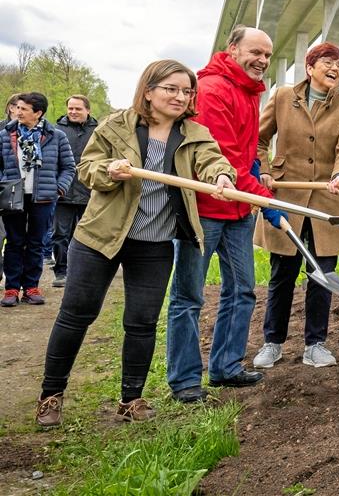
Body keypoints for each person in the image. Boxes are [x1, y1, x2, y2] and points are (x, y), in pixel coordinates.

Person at [34, 60, 236, 427]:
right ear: (149, 91)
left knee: (142, 322)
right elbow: (87, 168)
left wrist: (221, 176)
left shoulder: (194, 132)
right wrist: (109, 171)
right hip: (101, 237)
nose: (180, 96)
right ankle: (51, 395)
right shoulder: (118, 124)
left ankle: (131, 399)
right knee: (77, 314)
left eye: (187, 91)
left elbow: (212, 160)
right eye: (171, 89)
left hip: (154, 243)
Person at [166, 26, 282, 404]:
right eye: (255, 52)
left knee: (242, 289)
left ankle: (226, 367)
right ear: (232, 49)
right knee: (189, 296)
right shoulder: (213, 88)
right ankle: (184, 380)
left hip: (237, 209)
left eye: (267, 55)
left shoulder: (248, 92)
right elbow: (224, 157)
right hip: (204, 210)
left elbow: (246, 151)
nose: (262, 61)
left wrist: (258, 168)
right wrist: (266, 198)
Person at [252, 43, 339, 370]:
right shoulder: (284, 97)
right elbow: (257, 141)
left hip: (329, 197)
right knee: (282, 273)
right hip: (287, 195)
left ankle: (315, 344)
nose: (335, 69)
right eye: (328, 63)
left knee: (323, 273)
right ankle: (272, 342)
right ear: (310, 67)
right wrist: (266, 171)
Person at [1, 92, 76, 307]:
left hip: (43, 198)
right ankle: (12, 288)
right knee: (14, 243)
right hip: (12, 198)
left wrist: (58, 188)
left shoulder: (56, 136)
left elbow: (69, 167)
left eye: (24, 109)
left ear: (38, 113)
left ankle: (31, 287)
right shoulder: (6, 135)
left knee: (35, 243)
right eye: (17, 108)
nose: (18, 112)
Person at [48, 95, 99, 288]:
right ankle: (61, 271)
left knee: (89, 235)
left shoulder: (98, 131)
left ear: (88, 110)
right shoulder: (56, 130)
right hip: (63, 193)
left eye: (78, 109)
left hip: (91, 193)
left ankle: (85, 273)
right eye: (70, 108)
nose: (73, 112)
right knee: (60, 234)